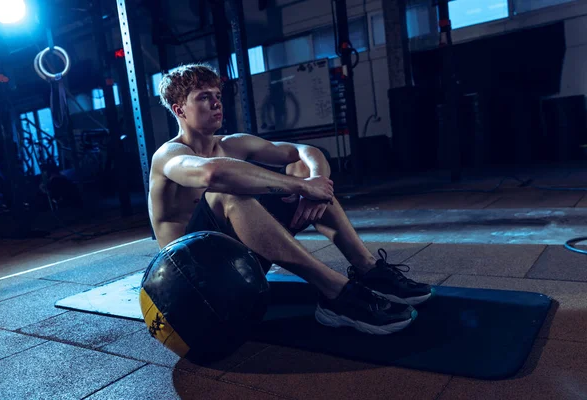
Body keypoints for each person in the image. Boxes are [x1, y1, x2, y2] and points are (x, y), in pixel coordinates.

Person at [148, 64, 434, 335]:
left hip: (235, 265)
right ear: (179, 110)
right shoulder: (168, 155)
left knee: (304, 172)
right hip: (192, 283)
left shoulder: (233, 143)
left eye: (218, 96)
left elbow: (304, 152)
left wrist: (314, 186)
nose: (216, 103)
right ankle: (337, 294)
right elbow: (212, 174)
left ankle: (368, 269)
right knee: (229, 193)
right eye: (204, 97)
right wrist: (303, 187)